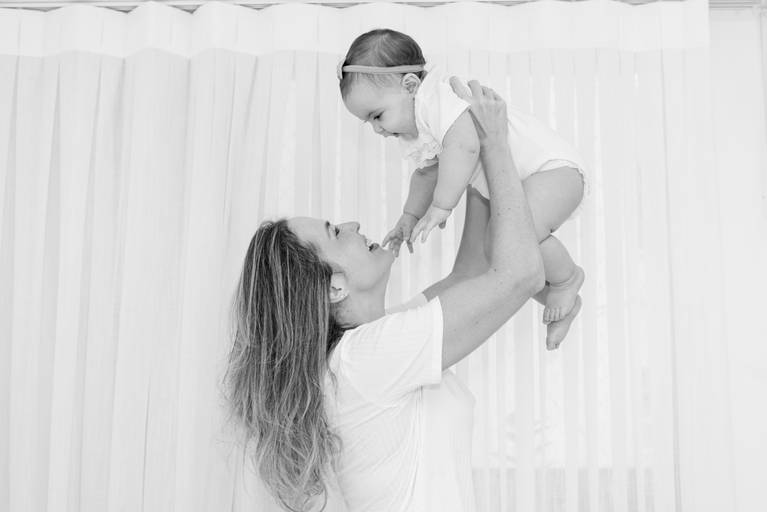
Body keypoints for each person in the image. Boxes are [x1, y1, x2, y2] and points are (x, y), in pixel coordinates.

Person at [225, 79, 581, 512]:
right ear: (334, 286)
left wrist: (466, 146)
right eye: (335, 232)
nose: (353, 225)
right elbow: (521, 275)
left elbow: (471, 274)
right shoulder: (365, 360)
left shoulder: (371, 347)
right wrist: (494, 145)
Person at [338, 29, 586, 346]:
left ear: (410, 86)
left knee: (516, 236)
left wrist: (442, 206)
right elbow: (426, 173)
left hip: (553, 170)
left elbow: (464, 146)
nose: (377, 129)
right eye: (368, 122)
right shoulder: (419, 126)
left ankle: (567, 280)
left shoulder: (435, 101)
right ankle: (557, 297)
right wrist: (409, 217)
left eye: (377, 115)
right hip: (531, 180)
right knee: (501, 248)